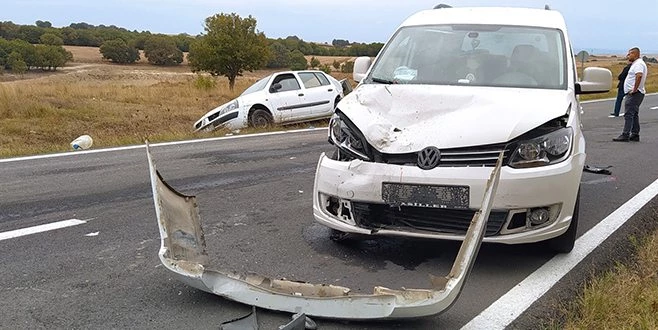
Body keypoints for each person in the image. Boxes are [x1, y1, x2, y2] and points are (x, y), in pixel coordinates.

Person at [613, 47, 648, 142]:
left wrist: (634, 89)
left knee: (628, 114)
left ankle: (625, 134)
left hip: (634, 93)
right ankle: (635, 134)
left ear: (635, 54)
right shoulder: (636, 64)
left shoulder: (639, 64)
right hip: (635, 93)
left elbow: (639, 75)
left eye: (630, 54)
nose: (628, 56)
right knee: (634, 114)